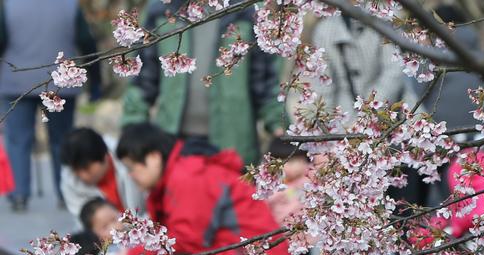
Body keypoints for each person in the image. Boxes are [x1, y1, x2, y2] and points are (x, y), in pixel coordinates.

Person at [312, 13, 423, 255]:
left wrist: (367, 113)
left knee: (405, 213)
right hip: (348, 134)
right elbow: (323, 86)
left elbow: (394, 72)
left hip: (396, 128)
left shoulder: (384, 20)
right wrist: (326, 136)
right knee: (357, 216)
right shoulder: (325, 30)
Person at [115, 123, 294, 255]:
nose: (130, 176)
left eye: (132, 168)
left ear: (153, 157)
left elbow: (186, 241)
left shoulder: (188, 176)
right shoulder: (179, 172)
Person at [121, 0, 285, 166]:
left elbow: (265, 82)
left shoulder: (246, 10)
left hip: (232, 143)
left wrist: (280, 128)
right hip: (173, 142)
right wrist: (133, 124)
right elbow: (143, 78)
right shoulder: (161, 9)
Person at [0, 0, 101, 212]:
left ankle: (19, 193)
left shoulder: (9, 5)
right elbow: (86, 40)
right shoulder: (70, 5)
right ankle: (65, 192)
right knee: (61, 139)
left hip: (17, 82)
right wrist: (95, 80)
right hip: (61, 83)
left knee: (18, 139)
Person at [59, 128, 144, 218]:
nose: (82, 176)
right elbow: (85, 225)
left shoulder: (133, 160)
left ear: (105, 156)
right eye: (75, 171)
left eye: (86, 168)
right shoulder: (69, 182)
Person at [265, 137, 314, 255]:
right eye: (285, 162)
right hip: (278, 236)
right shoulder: (271, 184)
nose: (290, 167)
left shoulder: (308, 180)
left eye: (295, 161)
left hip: (302, 238)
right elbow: (265, 203)